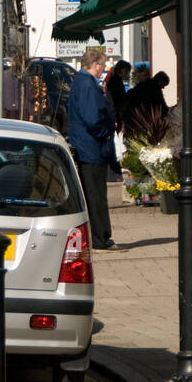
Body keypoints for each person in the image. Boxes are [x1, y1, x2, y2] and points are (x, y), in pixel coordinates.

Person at [67, 48, 123, 251]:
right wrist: (105, 134)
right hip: (91, 148)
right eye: (103, 65)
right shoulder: (87, 84)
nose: (104, 69)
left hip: (88, 146)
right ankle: (101, 238)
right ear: (96, 64)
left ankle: (98, 236)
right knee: (96, 195)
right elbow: (92, 117)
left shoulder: (83, 82)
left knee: (94, 194)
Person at [122, 70, 170, 142]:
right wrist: (167, 112)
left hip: (132, 118)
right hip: (144, 121)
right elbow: (160, 106)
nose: (163, 87)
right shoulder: (155, 90)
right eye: (164, 84)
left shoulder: (142, 85)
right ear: (160, 80)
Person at [104, 60, 131, 128]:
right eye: (127, 71)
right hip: (116, 113)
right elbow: (113, 98)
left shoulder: (115, 79)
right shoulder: (115, 81)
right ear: (122, 69)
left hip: (116, 112)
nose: (128, 74)